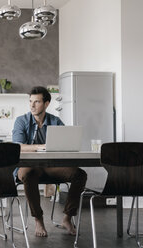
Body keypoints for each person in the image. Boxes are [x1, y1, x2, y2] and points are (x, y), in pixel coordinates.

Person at [12, 86, 87, 237]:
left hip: (51, 167)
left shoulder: (55, 121)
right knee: (29, 174)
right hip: (27, 168)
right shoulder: (21, 121)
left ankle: (67, 217)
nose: (32, 105)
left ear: (46, 104)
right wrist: (41, 147)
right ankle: (38, 220)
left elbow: (66, 144)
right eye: (30, 101)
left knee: (79, 174)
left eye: (37, 102)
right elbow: (18, 147)